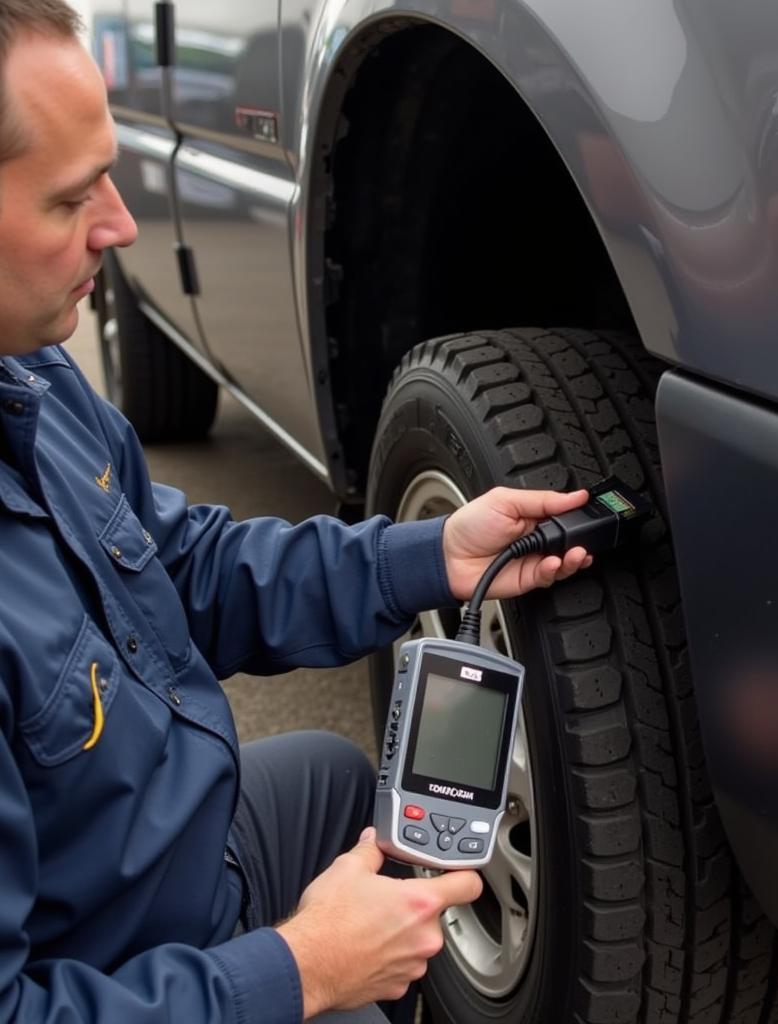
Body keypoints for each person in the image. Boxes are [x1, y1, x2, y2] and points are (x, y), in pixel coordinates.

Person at [0, 3, 592, 1022]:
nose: (121, 223)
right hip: (115, 977)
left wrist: (430, 554)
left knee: (330, 779)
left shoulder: (35, 381)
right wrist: (300, 970)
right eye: (68, 199)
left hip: (161, 873)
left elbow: (182, 565)